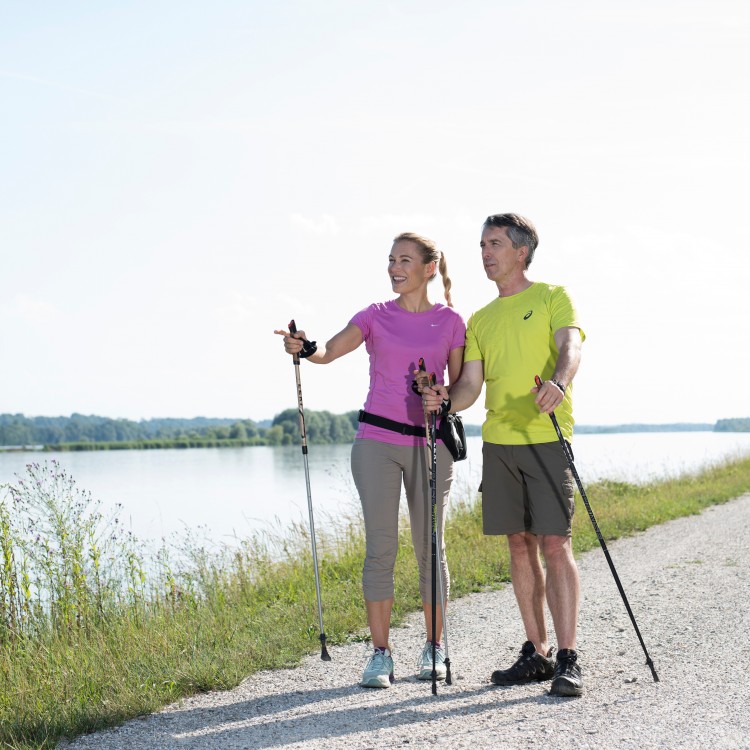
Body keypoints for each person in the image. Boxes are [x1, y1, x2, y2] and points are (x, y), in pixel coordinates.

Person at [275, 232, 465, 688]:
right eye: (390, 260)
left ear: (428, 268)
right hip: (376, 442)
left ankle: (434, 647)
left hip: (429, 443)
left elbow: (459, 388)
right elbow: (328, 351)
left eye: (405, 260)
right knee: (380, 548)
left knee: (429, 548)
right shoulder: (374, 316)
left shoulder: (452, 322)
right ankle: (381, 654)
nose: (395, 267)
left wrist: (439, 395)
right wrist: (305, 347)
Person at [422, 213, 586, 697]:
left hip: (546, 437)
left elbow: (571, 345)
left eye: (494, 244)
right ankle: (536, 653)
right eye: (481, 245)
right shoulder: (481, 320)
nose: (485, 253)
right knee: (518, 543)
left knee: (555, 543)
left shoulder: (552, 296)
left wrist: (559, 381)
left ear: (521, 251)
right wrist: (444, 400)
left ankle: (569, 656)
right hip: (499, 443)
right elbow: (471, 385)